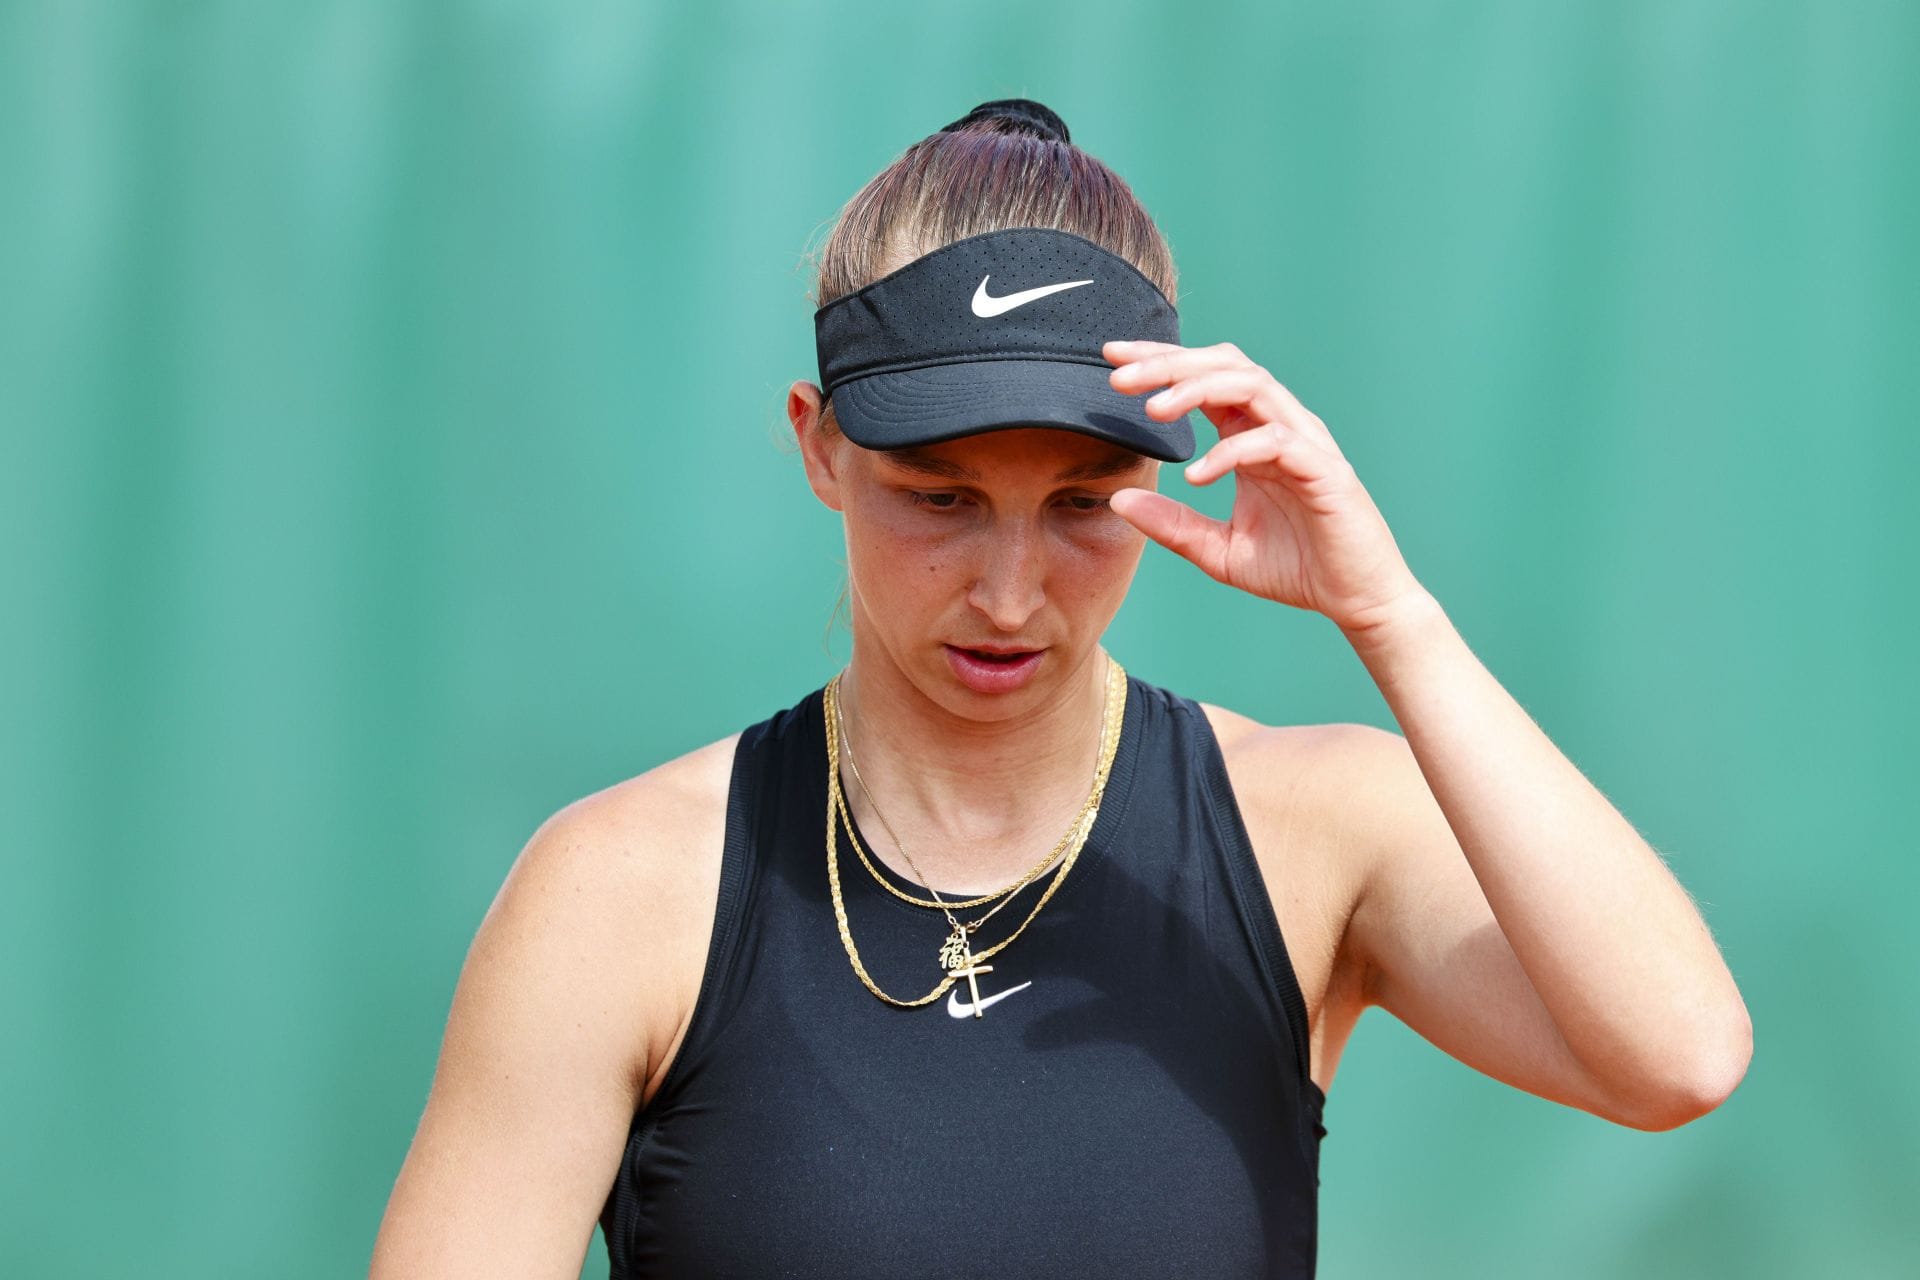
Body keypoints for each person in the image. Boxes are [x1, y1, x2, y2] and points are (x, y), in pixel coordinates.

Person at [369, 97, 1752, 1279]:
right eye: (941, 499)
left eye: (1086, 505)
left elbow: (1677, 1056)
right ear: (819, 447)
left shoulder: (1306, 832)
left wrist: (1388, 614)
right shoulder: (623, 890)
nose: (1013, 593)